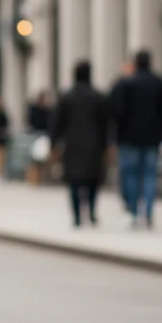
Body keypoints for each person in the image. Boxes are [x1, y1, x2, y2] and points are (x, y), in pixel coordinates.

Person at [111, 49, 162, 228]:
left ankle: (133, 211)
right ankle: (149, 212)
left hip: (129, 137)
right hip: (152, 137)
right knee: (150, 174)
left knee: (131, 174)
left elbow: (117, 111)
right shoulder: (159, 83)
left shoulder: (127, 83)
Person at [51, 61, 110, 227]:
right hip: (94, 144)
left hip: (72, 144)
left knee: (74, 182)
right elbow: (105, 124)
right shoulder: (98, 97)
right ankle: (91, 211)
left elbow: (56, 123)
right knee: (92, 181)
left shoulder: (67, 97)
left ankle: (77, 215)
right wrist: (106, 145)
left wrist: (54, 144)